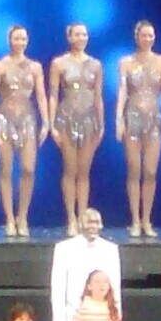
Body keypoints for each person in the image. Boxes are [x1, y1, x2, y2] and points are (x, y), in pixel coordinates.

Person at [115, 19, 161, 238]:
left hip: (154, 119)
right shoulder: (125, 62)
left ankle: (147, 220)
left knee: (150, 171)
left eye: (151, 35)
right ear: (137, 37)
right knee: (134, 170)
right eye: (144, 35)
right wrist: (118, 120)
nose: (147, 39)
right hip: (132, 117)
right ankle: (134, 220)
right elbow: (123, 90)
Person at [0, 24, 51, 237]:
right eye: (17, 39)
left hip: (27, 119)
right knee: (5, 170)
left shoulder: (35, 67)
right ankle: (8, 218)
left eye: (23, 39)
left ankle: (22, 216)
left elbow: (42, 95)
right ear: (9, 40)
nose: (20, 43)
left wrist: (46, 122)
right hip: (4, 119)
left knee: (28, 169)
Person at [49, 22, 105, 236]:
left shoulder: (96, 64)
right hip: (67, 120)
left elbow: (98, 96)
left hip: (89, 120)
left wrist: (101, 123)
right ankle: (70, 218)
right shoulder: (59, 63)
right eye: (77, 34)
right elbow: (53, 95)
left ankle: (83, 217)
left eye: (84, 34)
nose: (81, 38)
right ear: (69, 37)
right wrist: (52, 124)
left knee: (84, 171)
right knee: (70, 169)